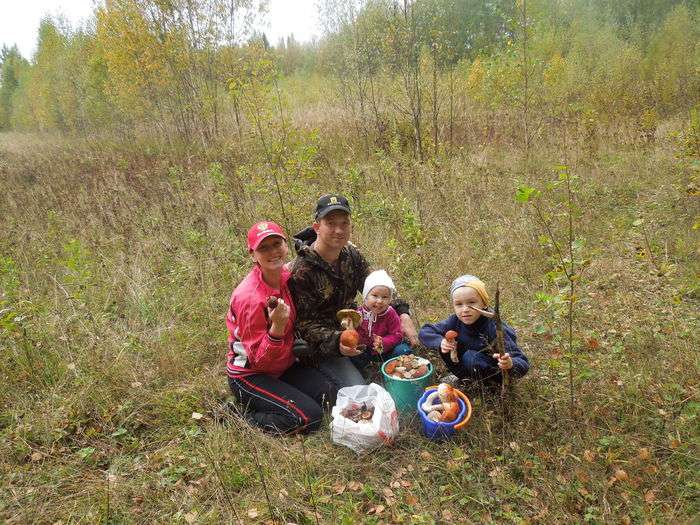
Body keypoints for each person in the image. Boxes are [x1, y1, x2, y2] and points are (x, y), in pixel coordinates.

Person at [288, 194, 420, 389]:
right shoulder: (301, 271)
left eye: (344, 223)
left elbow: (376, 286)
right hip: (324, 346)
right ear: (317, 227)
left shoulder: (351, 255)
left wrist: (403, 313)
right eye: (331, 223)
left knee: (405, 355)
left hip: (358, 330)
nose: (339, 230)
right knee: (357, 389)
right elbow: (305, 326)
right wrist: (338, 342)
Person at [226, 221, 337, 434]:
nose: (273, 252)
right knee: (308, 418)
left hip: (283, 366)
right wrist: (277, 328)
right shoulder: (249, 298)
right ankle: (239, 416)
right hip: (250, 374)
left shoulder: (286, 277)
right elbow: (259, 359)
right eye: (264, 248)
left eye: (277, 244)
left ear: (286, 246)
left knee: (330, 394)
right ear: (253, 255)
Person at [419, 274, 529, 385]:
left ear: (484, 303)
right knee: (447, 344)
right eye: (459, 304)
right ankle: (465, 380)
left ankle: (489, 387)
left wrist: (510, 364)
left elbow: (522, 362)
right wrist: (441, 342)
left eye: (471, 303)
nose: (465, 309)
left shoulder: (495, 327)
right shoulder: (454, 321)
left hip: (494, 373)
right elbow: (425, 331)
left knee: (471, 357)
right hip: (470, 366)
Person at [350, 269, 413, 370]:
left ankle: (391, 368)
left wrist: (384, 342)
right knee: (352, 354)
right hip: (366, 350)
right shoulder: (358, 313)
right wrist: (356, 326)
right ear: (365, 297)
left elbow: (397, 335)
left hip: (387, 350)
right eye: (374, 296)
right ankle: (363, 371)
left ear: (390, 299)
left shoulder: (390, 313)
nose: (379, 301)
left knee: (402, 350)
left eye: (385, 297)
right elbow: (354, 335)